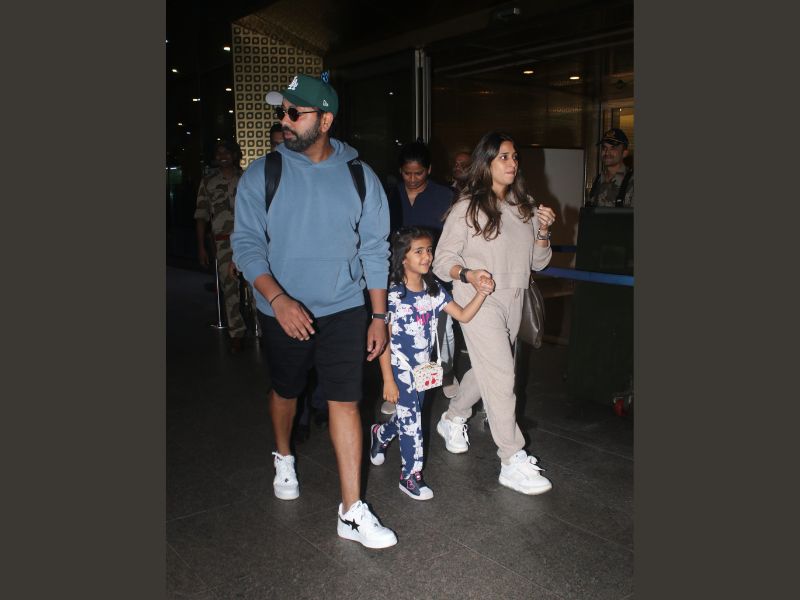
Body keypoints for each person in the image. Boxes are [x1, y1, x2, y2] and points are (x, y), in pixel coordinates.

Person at [231, 72, 397, 549]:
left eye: (294, 112)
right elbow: (245, 245)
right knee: (287, 389)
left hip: (344, 308)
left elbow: (374, 250)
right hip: (282, 309)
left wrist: (378, 317)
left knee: (346, 400)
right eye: (282, 111)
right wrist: (278, 299)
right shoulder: (262, 174)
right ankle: (283, 454)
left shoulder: (360, 176)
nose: (284, 120)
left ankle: (351, 510)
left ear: (325, 121)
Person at [432, 131, 557, 496]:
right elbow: (442, 262)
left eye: (515, 156)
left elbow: (539, 262)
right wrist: (467, 274)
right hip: (478, 299)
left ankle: (453, 416)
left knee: (488, 369)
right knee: (502, 375)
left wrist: (544, 231)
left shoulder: (525, 207)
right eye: (503, 156)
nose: (512, 163)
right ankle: (511, 458)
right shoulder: (466, 208)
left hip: (514, 298)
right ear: (486, 162)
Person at [369, 227, 492, 500]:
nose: (427, 256)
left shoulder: (433, 291)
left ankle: (381, 433)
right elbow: (384, 342)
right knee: (413, 422)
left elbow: (463, 315)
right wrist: (388, 380)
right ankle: (410, 476)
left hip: (423, 369)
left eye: (429, 250)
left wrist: (481, 293)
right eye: (419, 251)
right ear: (403, 257)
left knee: (408, 416)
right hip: (400, 369)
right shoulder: (393, 297)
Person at [382, 141, 458, 414]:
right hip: (400, 274)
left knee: (442, 329)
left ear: (429, 170)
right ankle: (396, 385)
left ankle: (446, 371)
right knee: (398, 331)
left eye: (419, 173)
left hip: (433, 273)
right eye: (407, 173)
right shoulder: (390, 195)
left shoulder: (445, 196)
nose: (412, 179)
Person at [194, 139, 248, 353]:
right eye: (219, 153)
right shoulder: (208, 182)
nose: (222, 156)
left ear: (235, 155)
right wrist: (201, 247)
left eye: (227, 152)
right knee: (230, 289)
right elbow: (201, 215)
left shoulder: (247, 178)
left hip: (249, 240)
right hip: (223, 242)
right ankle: (236, 333)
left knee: (257, 286)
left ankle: (262, 329)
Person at [586, 128, 634, 207]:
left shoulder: (632, 182)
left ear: (624, 153)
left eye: (613, 148)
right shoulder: (597, 180)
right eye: (604, 148)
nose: (607, 152)